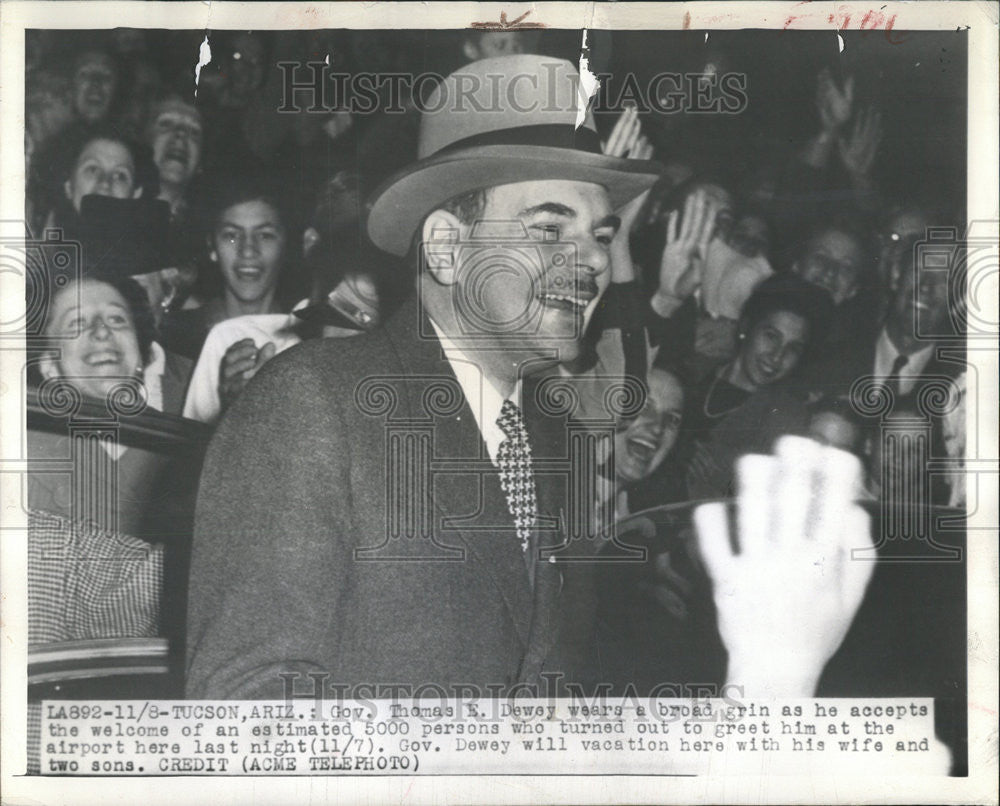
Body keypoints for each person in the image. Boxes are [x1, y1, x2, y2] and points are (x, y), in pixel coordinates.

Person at [186, 55, 876, 701]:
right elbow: (252, 715)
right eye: (550, 230)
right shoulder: (311, 405)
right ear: (448, 249)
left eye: (603, 236)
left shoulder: (555, 438)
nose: (593, 263)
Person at [677, 273, 834, 500]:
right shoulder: (693, 372)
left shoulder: (785, 419)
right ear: (746, 327)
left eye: (792, 349)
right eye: (771, 336)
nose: (776, 357)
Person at [159, 172, 300, 360]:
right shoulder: (174, 338)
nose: (248, 251)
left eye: (265, 235)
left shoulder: (304, 342)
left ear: (284, 246)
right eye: (232, 235)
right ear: (212, 248)